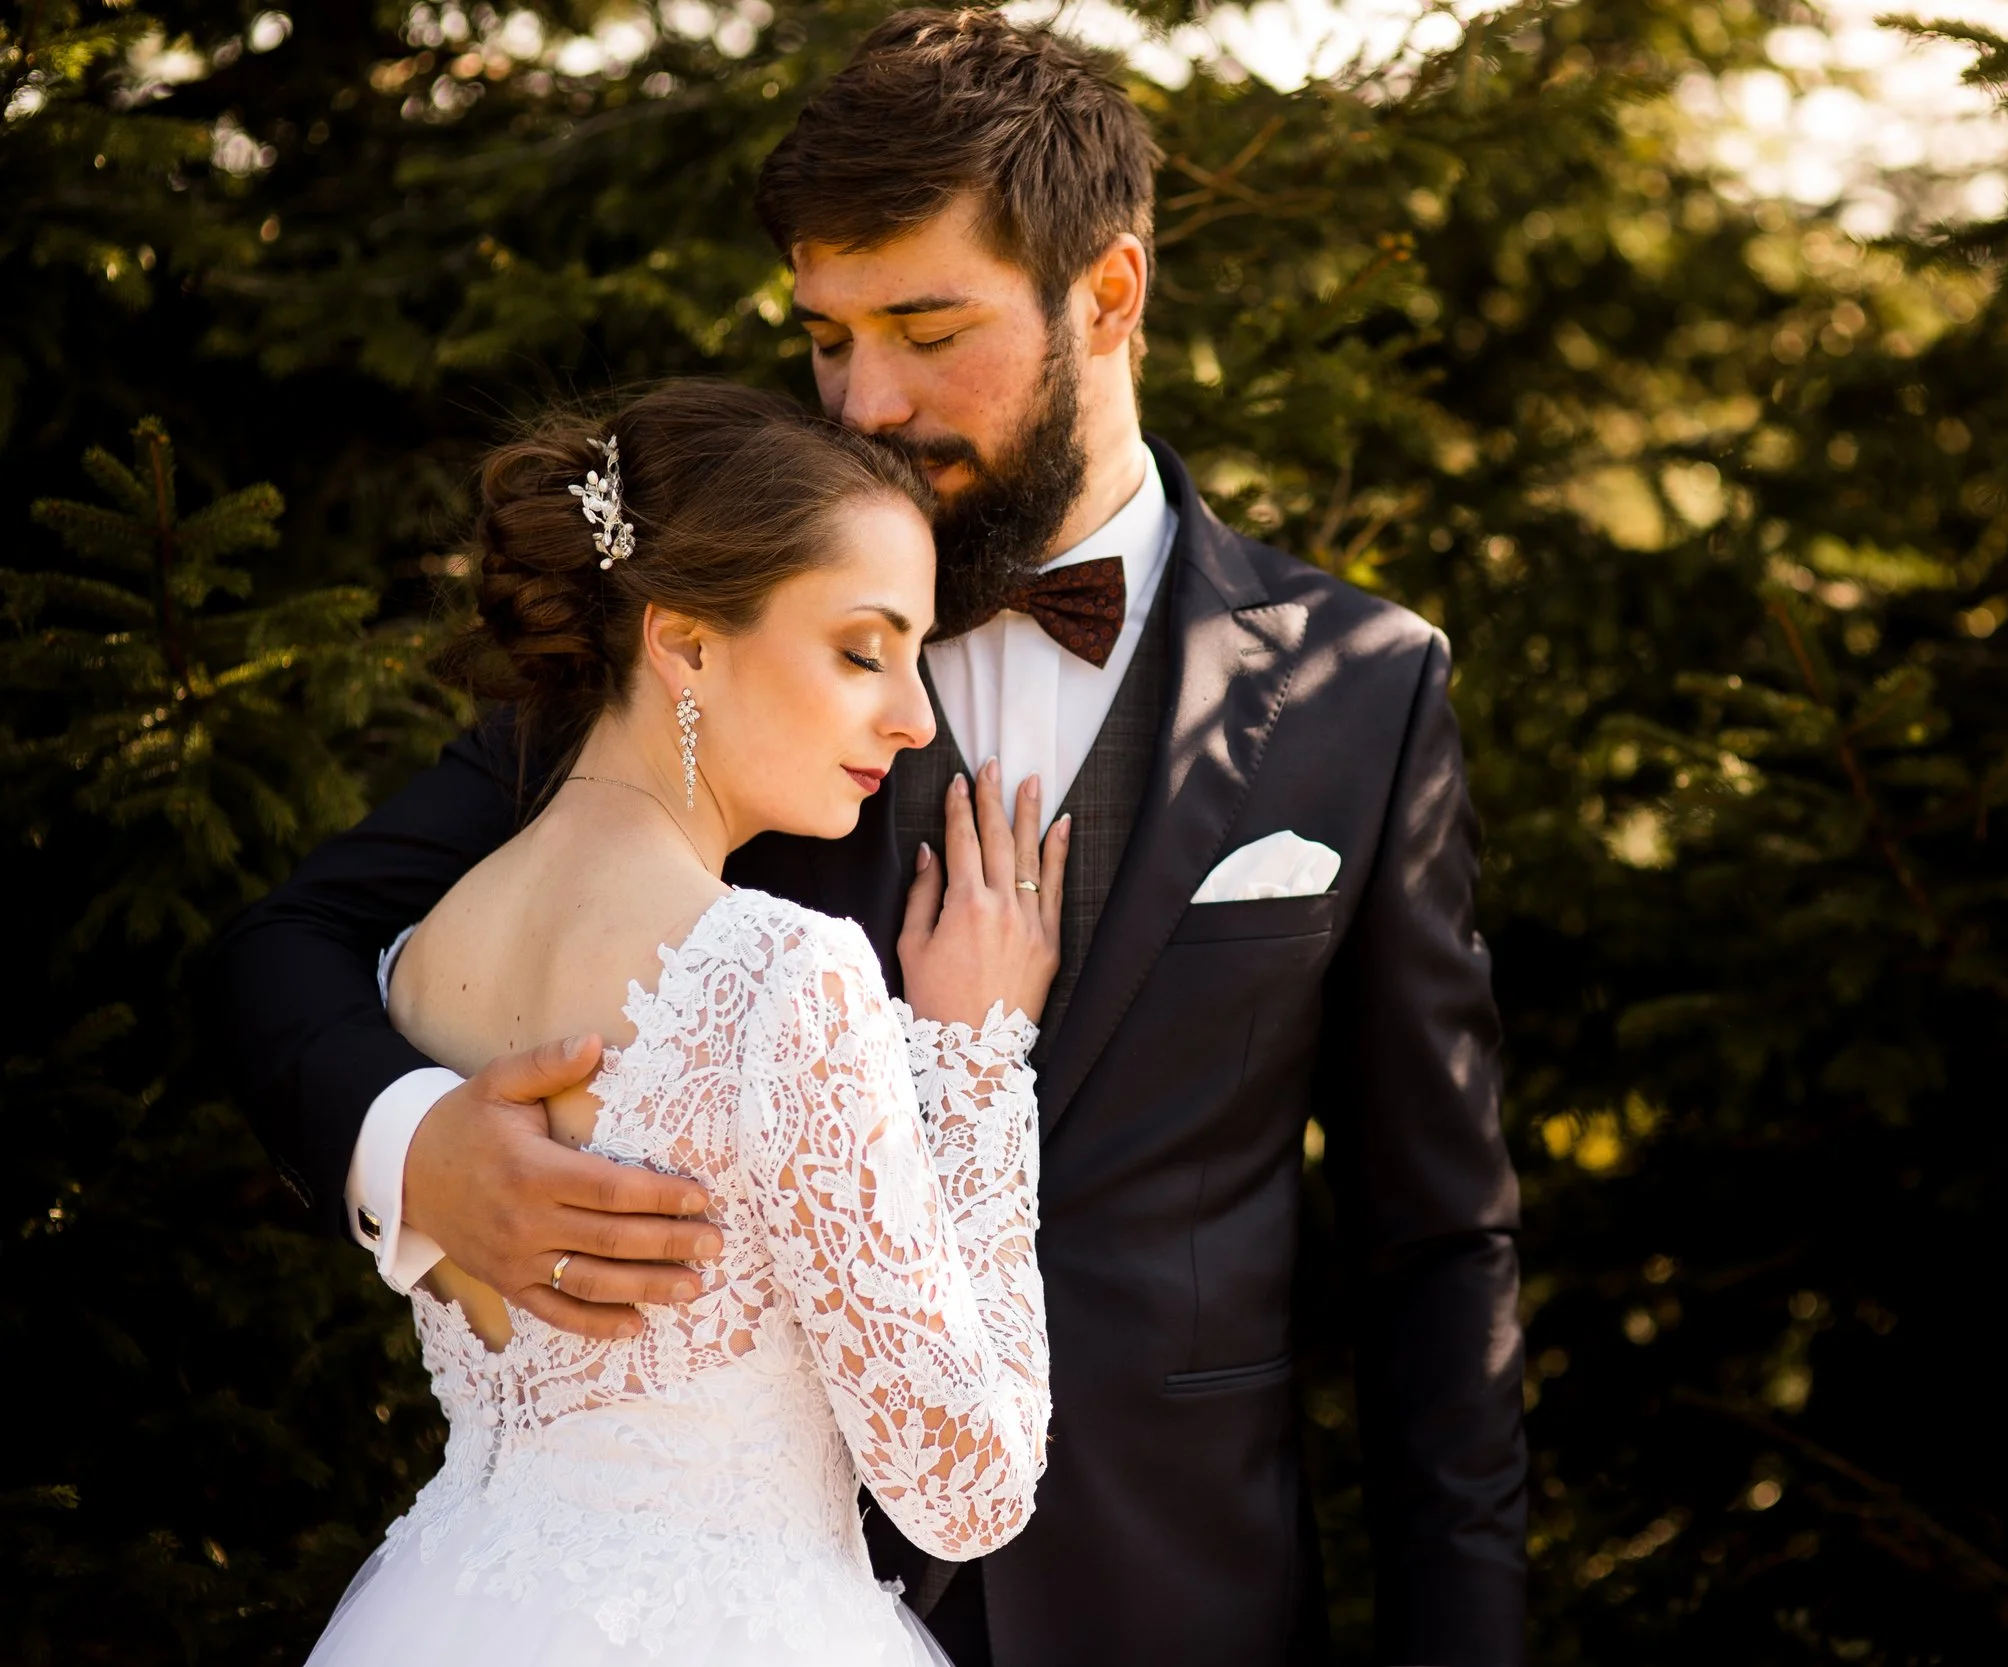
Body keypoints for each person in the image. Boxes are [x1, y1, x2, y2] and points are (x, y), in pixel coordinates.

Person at [216, 12, 1527, 1665]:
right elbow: (287, 944)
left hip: (1173, 1606)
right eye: (828, 336)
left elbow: (1435, 1246)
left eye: (924, 325)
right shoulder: (712, 625)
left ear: (1108, 294)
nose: (866, 398)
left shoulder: (1363, 687)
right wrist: (415, 1148)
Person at [300, 380, 1061, 1665]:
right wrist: (977, 1056)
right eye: (864, 648)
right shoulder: (781, 972)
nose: (915, 715)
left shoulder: (412, 959)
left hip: (442, 1609)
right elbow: (966, 1483)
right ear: (685, 642)